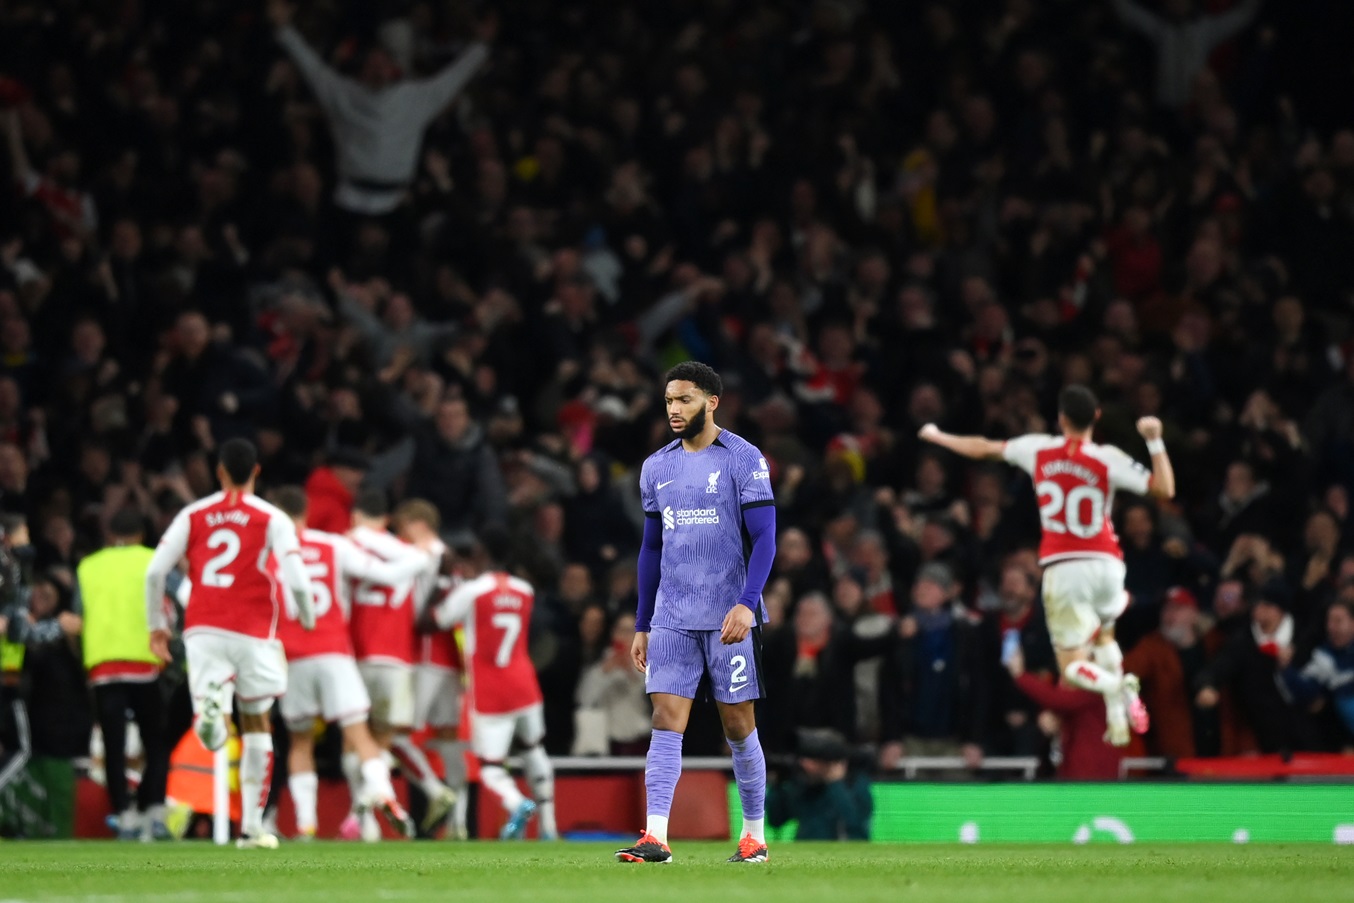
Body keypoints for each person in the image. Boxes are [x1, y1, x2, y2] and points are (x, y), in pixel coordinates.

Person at [919, 385, 1175, 746]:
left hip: (1066, 565)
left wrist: (940, 436)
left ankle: (1116, 685)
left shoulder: (1038, 448)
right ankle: (1117, 713)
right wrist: (1155, 440)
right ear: (1096, 417)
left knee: (1071, 666)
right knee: (1103, 636)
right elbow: (1164, 489)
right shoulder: (1108, 457)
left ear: (1061, 419)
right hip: (1107, 563)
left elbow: (983, 447)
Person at [617, 361, 777, 865]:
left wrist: (747, 605)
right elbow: (650, 550)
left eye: (683, 399)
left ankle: (754, 837)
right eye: (668, 401)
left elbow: (766, 537)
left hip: (728, 617)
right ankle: (657, 837)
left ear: (711, 401)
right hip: (671, 616)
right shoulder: (655, 467)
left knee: (737, 726)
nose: (673, 409)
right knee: (665, 719)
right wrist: (642, 623)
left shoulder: (744, 458)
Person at [144, 438, 316, 850]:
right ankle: (253, 828)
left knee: (212, 729)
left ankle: (212, 712)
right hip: (255, 630)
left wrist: (157, 627)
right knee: (258, 723)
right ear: (257, 472)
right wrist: (308, 616)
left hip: (203, 627)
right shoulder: (273, 518)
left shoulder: (194, 514)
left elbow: (155, 573)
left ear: (219, 472)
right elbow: (296, 576)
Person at [268, 486, 431, 841]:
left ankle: (306, 825)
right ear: (305, 513)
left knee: (300, 742)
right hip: (334, 653)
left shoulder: (268, 553)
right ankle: (385, 794)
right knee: (360, 735)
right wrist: (422, 555)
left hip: (292, 658)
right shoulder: (334, 545)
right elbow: (387, 575)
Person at [424, 526, 556, 840]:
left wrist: (439, 581)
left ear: (482, 553)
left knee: (490, 767)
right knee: (534, 749)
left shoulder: (472, 591)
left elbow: (435, 620)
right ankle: (549, 827)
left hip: (490, 689)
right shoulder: (525, 590)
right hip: (524, 684)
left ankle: (516, 803)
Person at [343, 493, 455, 840]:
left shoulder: (352, 547)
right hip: (400, 658)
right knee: (383, 739)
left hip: (362, 652)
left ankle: (363, 819)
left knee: (358, 740)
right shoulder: (421, 555)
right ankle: (377, 808)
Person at [76, 509, 171, 840]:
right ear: (141, 536)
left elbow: (79, 615)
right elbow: (173, 602)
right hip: (144, 660)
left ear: (108, 534)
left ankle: (124, 815)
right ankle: (154, 811)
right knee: (155, 742)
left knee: (114, 745)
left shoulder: (88, 566)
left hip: (103, 664)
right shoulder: (153, 560)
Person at [766, 728, 872, 841]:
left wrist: (836, 785)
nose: (804, 764)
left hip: (841, 851)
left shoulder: (855, 783)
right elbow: (776, 821)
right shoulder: (803, 786)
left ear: (831, 762)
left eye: (812, 760)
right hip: (804, 850)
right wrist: (777, 786)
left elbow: (856, 827)